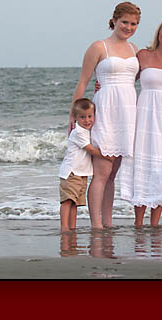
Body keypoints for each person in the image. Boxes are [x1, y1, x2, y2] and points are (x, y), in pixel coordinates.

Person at [69, 1, 140, 229]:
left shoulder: (135, 50)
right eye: (125, 22)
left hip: (128, 112)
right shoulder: (99, 47)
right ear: (115, 20)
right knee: (102, 170)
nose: (129, 27)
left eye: (134, 24)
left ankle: (108, 222)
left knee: (113, 173)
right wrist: (72, 116)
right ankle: (95, 224)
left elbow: (140, 78)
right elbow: (83, 83)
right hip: (106, 110)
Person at [119, 17, 162, 227]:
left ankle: (155, 223)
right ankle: (138, 222)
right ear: (158, 32)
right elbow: (125, 78)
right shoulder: (144, 55)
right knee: (142, 166)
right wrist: (102, 86)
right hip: (144, 117)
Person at [59, 98, 113, 232]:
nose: (87, 120)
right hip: (71, 172)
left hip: (81, 173)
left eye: (90, 116)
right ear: (76, 118)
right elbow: (91, 150)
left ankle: (72, 226)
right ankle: (64, 227)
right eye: (82, 117)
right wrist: (107, 156)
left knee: (75, 203)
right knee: (67, 201)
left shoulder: (86, 131)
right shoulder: (78, 132)